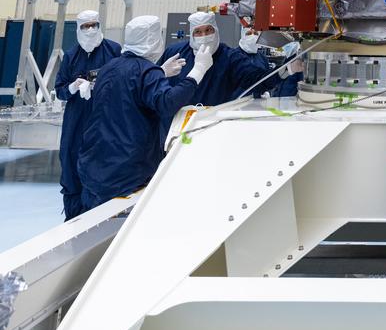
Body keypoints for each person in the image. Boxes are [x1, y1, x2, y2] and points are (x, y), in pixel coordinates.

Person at [77, 14, 213, 211]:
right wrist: (198, 70)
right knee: (121, 221)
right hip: (126, 170)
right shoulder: (147, 71)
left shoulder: (110, 67)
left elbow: (130, 89)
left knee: (93, 218)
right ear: (153, 39)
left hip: (95, 163)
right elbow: (167, 103)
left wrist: (159, 72)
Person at [54, 10, 120, 220]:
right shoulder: (71, 56)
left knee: (102, 162)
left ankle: (101, 217)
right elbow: (60, 90)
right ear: (78, 28)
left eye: (94, 25)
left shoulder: (114, 50)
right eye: (86, 26)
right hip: (76, 121)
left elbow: (124, 81)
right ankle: (74, 218)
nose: (90, 30)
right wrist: (73, 87)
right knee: (71, 161)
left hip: (105, 118)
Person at [158, 11, 295, 111]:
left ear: (216, 30)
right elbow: (154, 85)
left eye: (208, 30)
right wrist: (162, 71)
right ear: (192, 34)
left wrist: (285, 70)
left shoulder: (229, 57)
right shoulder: (175, 53)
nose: (204, 36)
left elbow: (256, 79)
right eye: (198, 32)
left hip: (213, 122)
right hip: (176, 124)